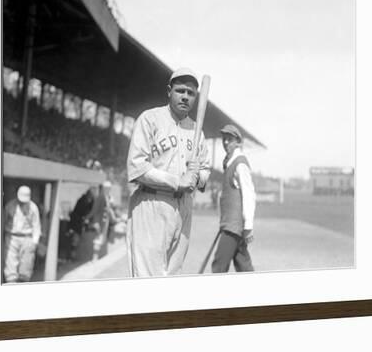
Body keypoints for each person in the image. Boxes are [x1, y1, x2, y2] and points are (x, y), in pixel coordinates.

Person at [126, 68, 211, 277]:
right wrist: (176, 180)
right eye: (180, 91)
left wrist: (197, 175)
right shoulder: (150, 119)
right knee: (147, 279)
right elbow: (137, 166)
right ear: (169, 91)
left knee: (173, 278)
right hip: (151, 203)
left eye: (190, 93)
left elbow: (206, 169)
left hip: (183, 207)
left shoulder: (197, 131)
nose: (185, 97)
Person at [211, 124, 256, 273]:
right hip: (230, 225)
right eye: (224, 139)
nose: (225, 142)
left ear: (238, 142)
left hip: (233, 228)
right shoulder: (229, 162)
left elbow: (249, 195)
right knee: (244, 267)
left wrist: (248, 226)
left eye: (229, 139)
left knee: (219, 267)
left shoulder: (240, 163)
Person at [3, 185, 42, 283]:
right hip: (12, 237)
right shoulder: (10, 206)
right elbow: (3, 221)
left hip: (27, 238)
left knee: (26, 267)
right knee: (10, 267)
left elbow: (36, 226)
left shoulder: (33, 208)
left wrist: (34, 242)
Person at [87, 181, 112, 262]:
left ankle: (98, 256)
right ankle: (95, 257)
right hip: (99, 221)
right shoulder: (100, 197)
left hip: (104, 221)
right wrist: (87, 218)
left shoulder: (106, 197)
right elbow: (94, 210)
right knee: (98, 239)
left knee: (101, 238)